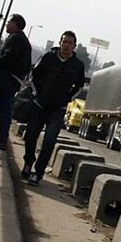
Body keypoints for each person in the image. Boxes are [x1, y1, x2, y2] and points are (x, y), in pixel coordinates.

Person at [23, 30, 86, 185]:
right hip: (40, 104)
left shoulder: (78, 65)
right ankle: (28, 162)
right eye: (64, 42)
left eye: (70, 43)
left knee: (49, 141)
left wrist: (67, 98)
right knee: (30, 136)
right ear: (60, 43)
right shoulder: (48, 57)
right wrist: (37, 92)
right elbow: (33, 75)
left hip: (58, 109)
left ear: (74, 46)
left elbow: (79, 86)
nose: (67, 45)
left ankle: (38, 173)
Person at [0, 13, 32, 150]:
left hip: (9, 77)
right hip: (14, 79)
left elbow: (8, 57)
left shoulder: (15, 38)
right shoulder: (22, 40)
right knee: (5, 109)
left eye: (9, 22)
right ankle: (2, 139)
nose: (6, 24)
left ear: (15, 24)